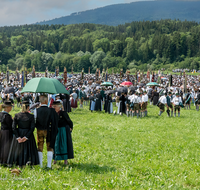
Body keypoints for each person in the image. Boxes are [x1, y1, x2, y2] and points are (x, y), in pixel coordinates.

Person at [7, 101, 39, 167]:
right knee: (28, 149)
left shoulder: (17, 115)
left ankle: (17, 162)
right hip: (28, 134)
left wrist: (18, 137)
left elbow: (13, 127)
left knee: (18, 149)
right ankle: (28, 162)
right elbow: (32, 128)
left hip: (19, 133)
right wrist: (26, 137)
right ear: (28, 107)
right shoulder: (31, 116)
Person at [35, 94, 58, 168]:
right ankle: (49, 165)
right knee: (49, 147)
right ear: (46, 100)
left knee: (40, 147)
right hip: (49, 130)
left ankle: (41, 165)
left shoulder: (36, 110)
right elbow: (55, 122)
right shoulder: (51, 110)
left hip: (39, 130)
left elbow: (34, 121)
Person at [0, 101, 13, 165]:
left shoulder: (1, 114)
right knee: (6, 146)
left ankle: (1, 159)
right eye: (10, 107)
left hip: (2, 131)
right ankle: (6, 160)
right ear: (8, 107)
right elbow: (11, 125)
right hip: (7, 132)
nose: (11, 108)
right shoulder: (7, 116)